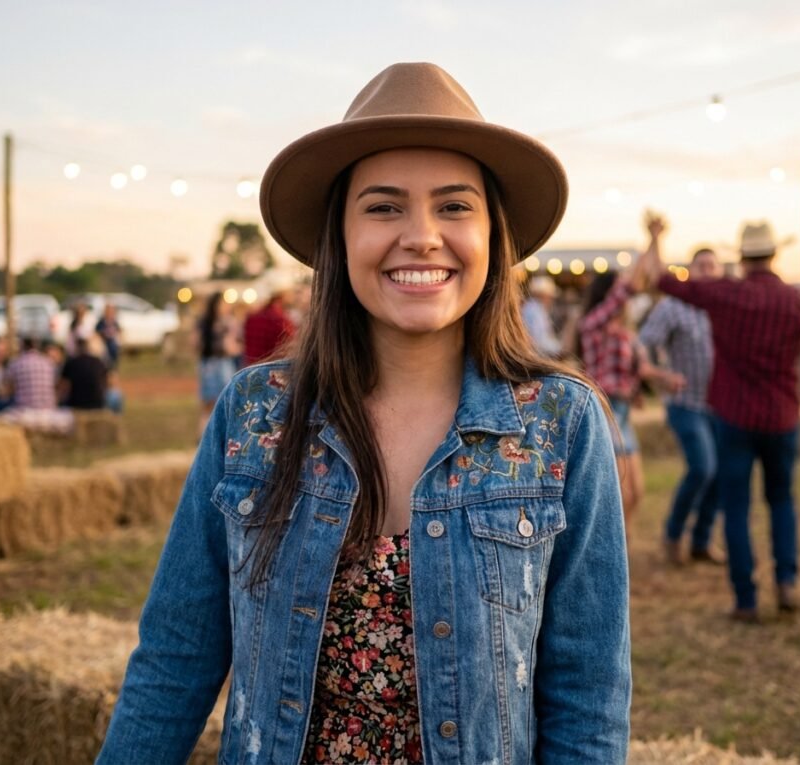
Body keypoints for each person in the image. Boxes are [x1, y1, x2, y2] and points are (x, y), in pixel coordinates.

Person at [98, 62, 630, 765]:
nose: (421, 236)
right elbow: (174, 661)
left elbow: (587, 702)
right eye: (383, 207)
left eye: (453, 206)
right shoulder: (256, 412)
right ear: (339, 236)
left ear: (492, 234)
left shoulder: (560, 423)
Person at [640, 219, 800, 621]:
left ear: (742, 257)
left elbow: (662, 279)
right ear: (774, 255)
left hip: (734, 416)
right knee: (781, 500)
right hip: (782, 415)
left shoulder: (727, 295)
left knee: (737, 507)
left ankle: (746, 598)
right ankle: (786, 581)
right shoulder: (796, 300)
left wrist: (657, 237)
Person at [577, 220, 684, 539]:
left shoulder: (625, 332)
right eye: (617, 289)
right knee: (620, 496)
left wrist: (665, 378)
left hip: (622, 413)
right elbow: (633, 287)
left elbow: (642, 370)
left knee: (636, 493)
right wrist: (652, 239)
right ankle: (604, 551)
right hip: (605, 412)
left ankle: (617, 551)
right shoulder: (593, 324)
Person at [639, 247, 724, 566]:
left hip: (720, 405)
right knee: (703, 467)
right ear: (690, 271)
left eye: (712, 265)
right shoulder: (673, 307)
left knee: (720, 475)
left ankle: (701, 541)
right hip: (685, 403)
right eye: (701, 265)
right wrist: (659, 376)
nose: (707, 271)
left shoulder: (723, 307)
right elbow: (642, 343)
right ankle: (673, 535)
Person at [197, 292, 241, 433]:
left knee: (208, 404)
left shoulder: (203, 321)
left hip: (206, 363)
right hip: (221, 364)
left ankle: (203, 436)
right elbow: (229, 347)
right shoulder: (226, 322)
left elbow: (195, 344)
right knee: (225, 401)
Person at [242, 279, 296, 365]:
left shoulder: (252, 317)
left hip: (250, 370)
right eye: (289, 293)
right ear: (281, 295)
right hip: (270, 373)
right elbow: (289, 351)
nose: (292, 297)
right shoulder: (281, 320)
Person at [58, 333, 109, 410]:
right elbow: (106, 384)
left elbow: (63, 387)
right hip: (98, 404)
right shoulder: (99, 363)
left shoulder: (71, 363)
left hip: (75, 404)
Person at [521, 275, 563, 357]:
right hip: (536, 355)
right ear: (542, 296)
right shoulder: (534, 310)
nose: (551, 300)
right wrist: (560, 347)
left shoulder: (532, 308)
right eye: (549, 297)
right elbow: (539, 340)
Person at [95, 303, 122, 369]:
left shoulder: (114, 321)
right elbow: (97, 330)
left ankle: (113, 369)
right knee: (104, 357)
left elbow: (119, 330)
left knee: (114, 351)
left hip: (112, 343)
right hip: (103, 342)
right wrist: (103, 334)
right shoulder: (102, 321)